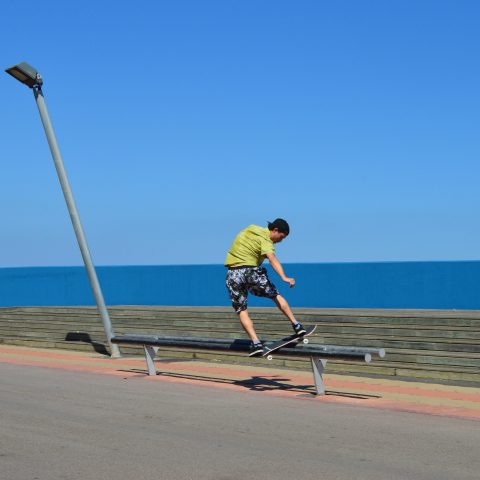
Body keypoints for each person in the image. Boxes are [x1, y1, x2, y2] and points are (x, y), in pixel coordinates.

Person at [225, 218, 306, 356]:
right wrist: (284, 277)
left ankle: (256, 343)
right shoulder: (266, 240)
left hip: (233, 274)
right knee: (275, 295)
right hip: (250, 271)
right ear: (275, 230)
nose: (280, 241)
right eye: (281, 237)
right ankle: (296, 325)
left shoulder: (251, 228)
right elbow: (272, 258)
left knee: (242, 310)